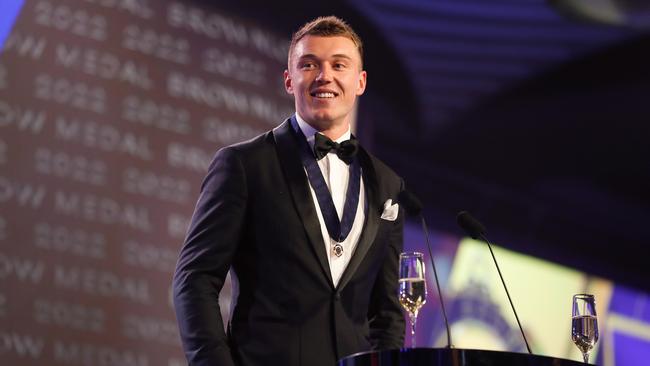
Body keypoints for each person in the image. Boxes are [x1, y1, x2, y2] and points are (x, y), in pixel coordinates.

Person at [173, 16, 405, 366]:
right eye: (309, 64)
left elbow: (387, 311)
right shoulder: (245, 164)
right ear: (288, 80)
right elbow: (194, 280)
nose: (324, 75)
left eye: (338, 65)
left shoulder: (388, 184)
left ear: (360, 82)